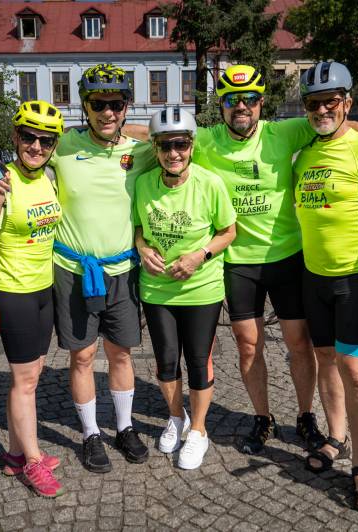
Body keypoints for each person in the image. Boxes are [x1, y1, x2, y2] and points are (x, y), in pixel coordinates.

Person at [164, 65, 358, 455]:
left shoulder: (285, 131)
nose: (241, 106)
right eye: (231, 100)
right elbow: (153, 135)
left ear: (261, 103)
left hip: (289, 258)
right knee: (247, 346)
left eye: (249, 99)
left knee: (300, 344)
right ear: (220, 106)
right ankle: (263, 417)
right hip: (239, 262)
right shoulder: (205, 140)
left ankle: (306, 415)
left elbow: (343, 122)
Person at [0, 64, 158, 473]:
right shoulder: (63, 145)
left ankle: (125, 427)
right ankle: (91, 433)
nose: (107, 112)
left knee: (121, 354)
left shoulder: (140, 151)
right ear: (85, 106)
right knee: (83, 356)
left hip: (121, 269)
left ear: (126, 106)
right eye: (98, 104)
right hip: (72, 269)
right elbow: (28, 150)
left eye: (116, 104)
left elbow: (178, 141)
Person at [293, 61, 358, 513]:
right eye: (313, 103)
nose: (321, 110)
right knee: (325, 360)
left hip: (356, 279)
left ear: (347, 103)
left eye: (330, 102)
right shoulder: (304, 154)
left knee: (357, 371)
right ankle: (336, 436)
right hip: (313, 276)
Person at [0, 100, 65, 497]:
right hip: (12, 292)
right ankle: (33, 460)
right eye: (28, 137)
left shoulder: (51, 177)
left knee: (31, 375)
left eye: (46, 141)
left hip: (44, 289)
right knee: (25, 382)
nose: (36, 147)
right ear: (15, 136)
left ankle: (13, 454)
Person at [134, 108, 236, 469]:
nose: (173, 153)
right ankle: (176, 418)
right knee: (165, 359)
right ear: (155, 148)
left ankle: (199, 430)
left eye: (180, 144)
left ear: (191, 146)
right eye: (165, 146)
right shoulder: (144, 183)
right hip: (156, 289)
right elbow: (139, 228)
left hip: (201, 289)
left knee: (197, 359)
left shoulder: (210, 183)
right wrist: (142, 248)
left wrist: (199, 255)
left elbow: (228, 232)